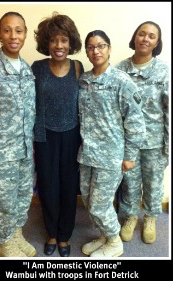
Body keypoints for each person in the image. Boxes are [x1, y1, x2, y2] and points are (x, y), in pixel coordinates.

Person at [77, 30, 146, 257]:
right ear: (86, 51)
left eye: (101, 46)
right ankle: (106, 236)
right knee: (89, 201)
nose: (96, 51)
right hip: (87, 154)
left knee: (100, 204)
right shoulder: (84, 80)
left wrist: (130, 156)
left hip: (111, 156)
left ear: (109, 49)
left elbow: (135, 122)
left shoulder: (121, 81)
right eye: (91, 47)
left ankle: (115, 242)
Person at [0, 12, 36, 257]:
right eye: (7, 30)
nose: (13, 36)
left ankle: (16, 233)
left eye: (19, 30)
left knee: (23, 197)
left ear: (25, 34)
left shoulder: (26, 69)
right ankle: (5, 242)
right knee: (3, 202)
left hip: (24, 150)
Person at [31, 12, 84, 257]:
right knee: (48, 186)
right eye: (53, 40)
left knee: (68, 186)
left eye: (64, 40)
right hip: (44, 137)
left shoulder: (78, 67)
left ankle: (65, 235)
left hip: (72, 136)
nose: (59, 46)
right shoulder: (38, 68)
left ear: (71, 42)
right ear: (46, 43)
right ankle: (51, 232)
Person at [115, 21, 169, 244]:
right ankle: (130, 217)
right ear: (135, 37)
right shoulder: (120, 70)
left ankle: (149, 218)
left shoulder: (164, 71)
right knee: (129, 183)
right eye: (142, 34)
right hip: (129, 143)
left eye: (151, 36)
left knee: (154, 183)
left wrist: (169, 145)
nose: (145, 39)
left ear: (157, 42)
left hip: (155, 142)